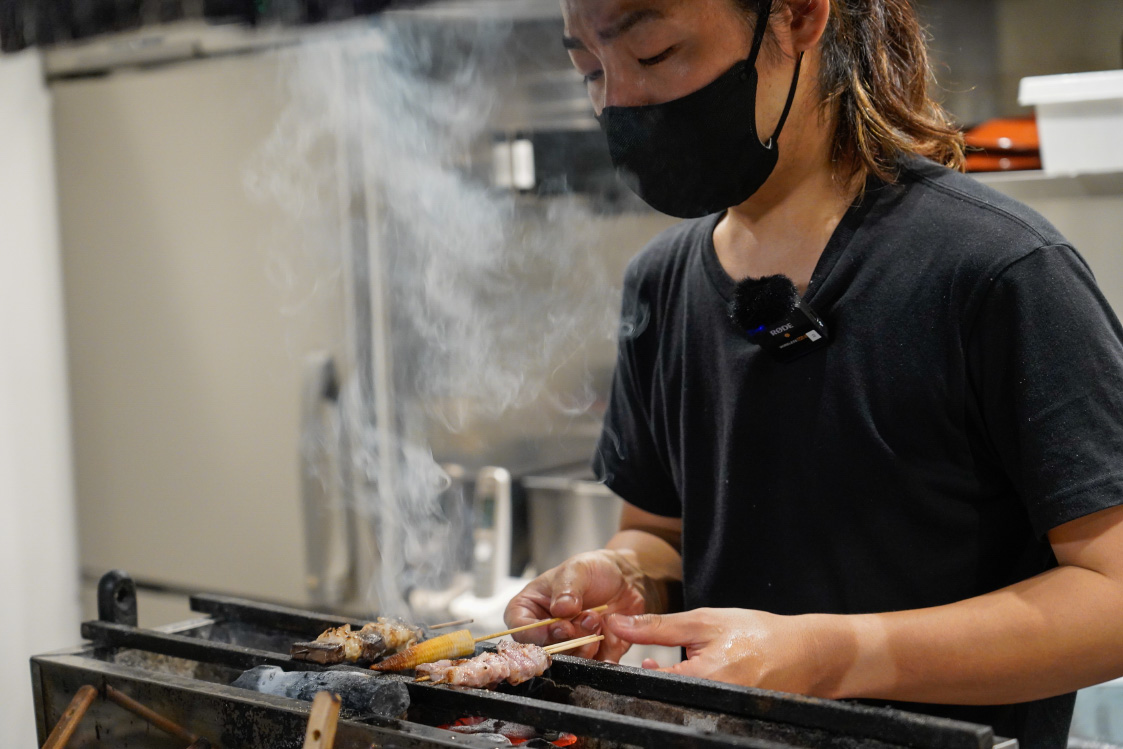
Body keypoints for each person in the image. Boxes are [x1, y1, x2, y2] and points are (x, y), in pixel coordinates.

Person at [502, 1, 1123, 746]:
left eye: (656, 53)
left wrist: (830, 657)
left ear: (797, 16)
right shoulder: (661, 283)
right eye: (590, 72)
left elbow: (1111, 595)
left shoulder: (995, 270)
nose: (620, 101)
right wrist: (623, 573)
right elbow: (661, 533)